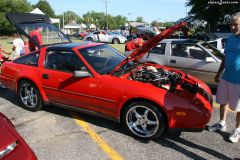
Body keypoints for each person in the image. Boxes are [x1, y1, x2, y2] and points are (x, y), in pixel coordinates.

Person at [208, 12, 240, 143]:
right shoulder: (230, 38)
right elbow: (225, 57)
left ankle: (237, 129)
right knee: (222, 101)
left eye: (236, 24)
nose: (233, 27)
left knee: (239, 108)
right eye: (231, 24)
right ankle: (222, 123)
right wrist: (218, 73)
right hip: (226, 77)